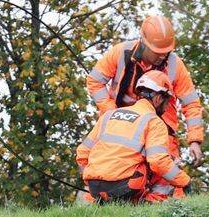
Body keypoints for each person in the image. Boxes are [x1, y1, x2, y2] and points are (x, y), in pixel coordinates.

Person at [86, 14, 206, 169]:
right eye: (157, 51)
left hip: (161, 130)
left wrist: (194, 141)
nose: (163, 55)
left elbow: (191, 104)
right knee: (109, 171)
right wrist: (112, 113)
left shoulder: (175, 65)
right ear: (143, 43)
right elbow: (94, 81)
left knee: (166, 181)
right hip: (120, 128)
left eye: (166, 51)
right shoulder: (120, 53)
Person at [77, 70, 191, 203]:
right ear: (159, 98)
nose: (166, 108)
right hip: (125, 188)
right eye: (167, 101)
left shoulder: (109, 115)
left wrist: (93, 178)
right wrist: (185, 181)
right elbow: (158, 162)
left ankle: (103, 199)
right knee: (167, 162)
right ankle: (148, 202)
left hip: (95, 187)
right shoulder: (154, 121)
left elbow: (82, 152)